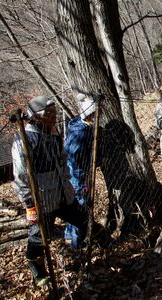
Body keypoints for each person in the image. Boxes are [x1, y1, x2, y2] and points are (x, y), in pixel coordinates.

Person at [12, 96, 89, 287]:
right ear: (37, 116)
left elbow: (63, 164)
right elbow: (21, 175)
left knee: (84, 219)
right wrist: (29, 203)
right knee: (39, 237)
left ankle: (100, 244)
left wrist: (69, 188)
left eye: (55, 112)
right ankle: (38, 272)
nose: (54, 117)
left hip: (63, 194)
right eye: (49, 113)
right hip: (42, 198)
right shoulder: (25, 139)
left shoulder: (54, 136)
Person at [64, 93, 97, 248]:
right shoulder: (81, 132)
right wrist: (83, 178)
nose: (97, 117)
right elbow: (74, 158)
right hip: (77, 176)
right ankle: (75, 244)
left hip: (77, 174)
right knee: (79, 207)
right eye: (94, 114)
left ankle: (71, 240)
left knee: (76, 208)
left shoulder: (79, 125)